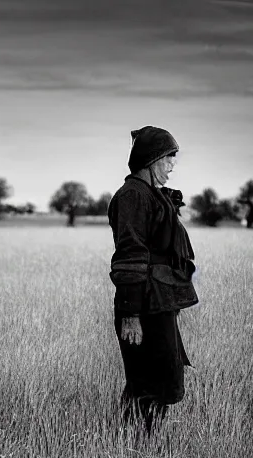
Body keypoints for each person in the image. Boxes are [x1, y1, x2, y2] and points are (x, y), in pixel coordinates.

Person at [107, 125, 199, 435]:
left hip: (157, 302)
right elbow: (131, 256)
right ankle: (133, 446)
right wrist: (131, 315)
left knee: (163, 378)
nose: (173, 165)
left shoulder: (150, 194)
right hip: (142, 305)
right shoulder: (133, 195)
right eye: (169, 158)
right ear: (151, 159)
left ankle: (145, 445)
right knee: (146, 381)